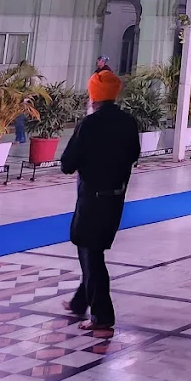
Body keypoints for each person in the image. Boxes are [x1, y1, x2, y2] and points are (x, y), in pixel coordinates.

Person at [60, 69, 140, 333]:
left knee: (91, 257)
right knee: (92, 252)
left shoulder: (89, 125)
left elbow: (67, 164)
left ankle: (102, 316)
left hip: (92, 201)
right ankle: (78, 302)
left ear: (93, 97)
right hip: (116, 199)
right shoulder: (129, 122)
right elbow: (133, 155)